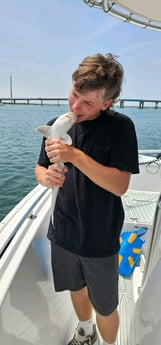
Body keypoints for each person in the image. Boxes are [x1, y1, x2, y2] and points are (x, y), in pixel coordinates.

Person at [35, 53, 139, 345]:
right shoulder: (57, 124)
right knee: (76, 290)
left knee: (106, 306)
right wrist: (45, 178)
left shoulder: (121, 127)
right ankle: (85, 330)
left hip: (99, 239)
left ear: (107, 103)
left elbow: (120, 186)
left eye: (88, 103)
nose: (76, 107)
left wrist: (75, 156)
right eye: (74, 95)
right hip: (63, 231)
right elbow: (40, 167)